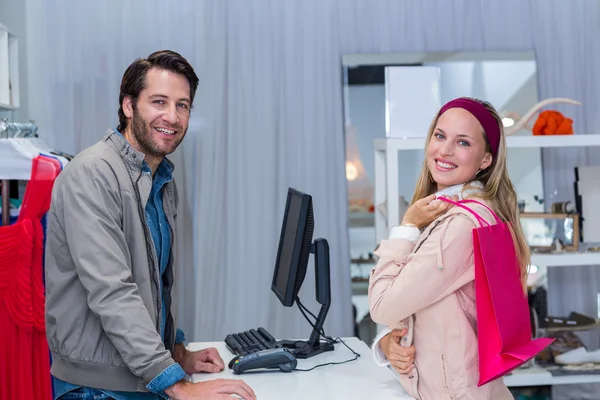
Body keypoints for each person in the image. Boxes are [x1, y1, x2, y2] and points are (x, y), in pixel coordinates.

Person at [45, 50, 256, 400]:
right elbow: (113, 292)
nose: (171, 117)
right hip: (98, 389)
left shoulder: (159, 178)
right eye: (159, 101)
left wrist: (177, 353)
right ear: (129, 106)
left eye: (182, 105)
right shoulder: (92, 174)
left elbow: (153, 285)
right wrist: (180, 387)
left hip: (139, 377)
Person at [368, 97, 529, 399]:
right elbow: (428, 304)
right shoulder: (465, 213)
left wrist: (407, 227)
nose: (444, 150)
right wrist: (390, 342)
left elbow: (382, 305)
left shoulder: (460, 226)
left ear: (486, 160)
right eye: (440, 136)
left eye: (463, 142)